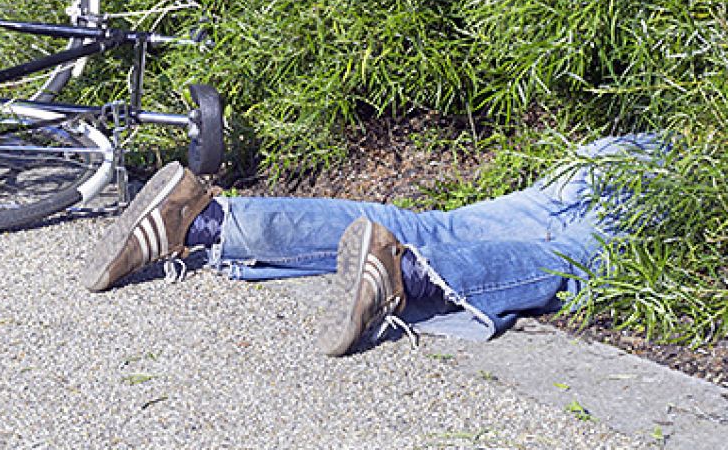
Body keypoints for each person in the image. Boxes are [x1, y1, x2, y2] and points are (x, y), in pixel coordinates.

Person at [80, 134, 664, 356]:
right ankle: (401, 278)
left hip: (640, 148)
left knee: (446, 226)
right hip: (689, 185)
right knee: (578, 257)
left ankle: (198, 220)